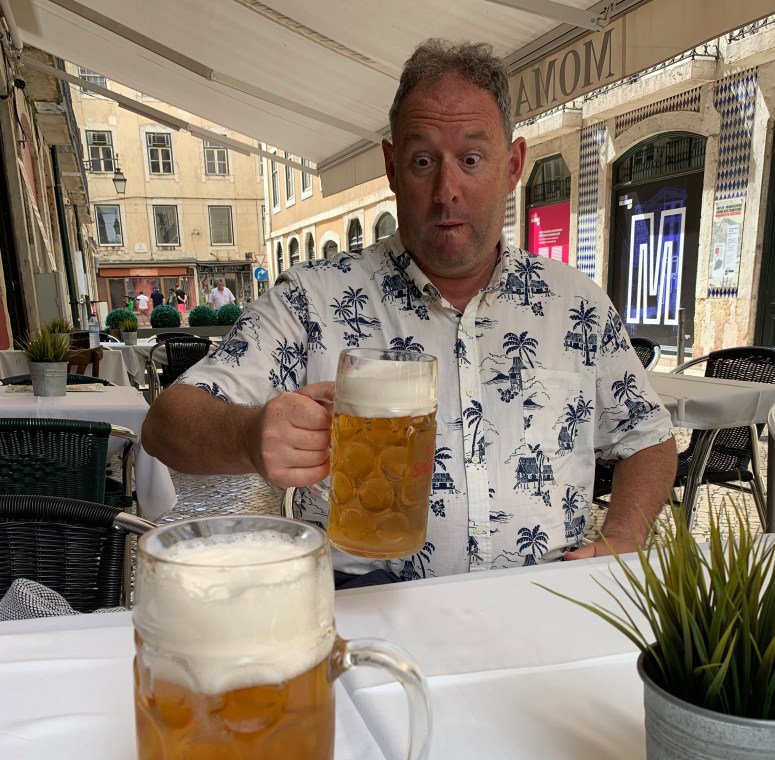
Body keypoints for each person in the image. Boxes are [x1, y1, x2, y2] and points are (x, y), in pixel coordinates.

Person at [143, 38, 676, 582]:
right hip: (366, 609)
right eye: (423, 161)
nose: (447, 190)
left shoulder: (576, 305)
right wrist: (248, 435)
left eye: (471, 159)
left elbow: (650, 439)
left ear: (513, 165)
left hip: (539, 602)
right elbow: (166, 424)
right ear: (392, 167)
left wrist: (624, 536)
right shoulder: (311, 299)